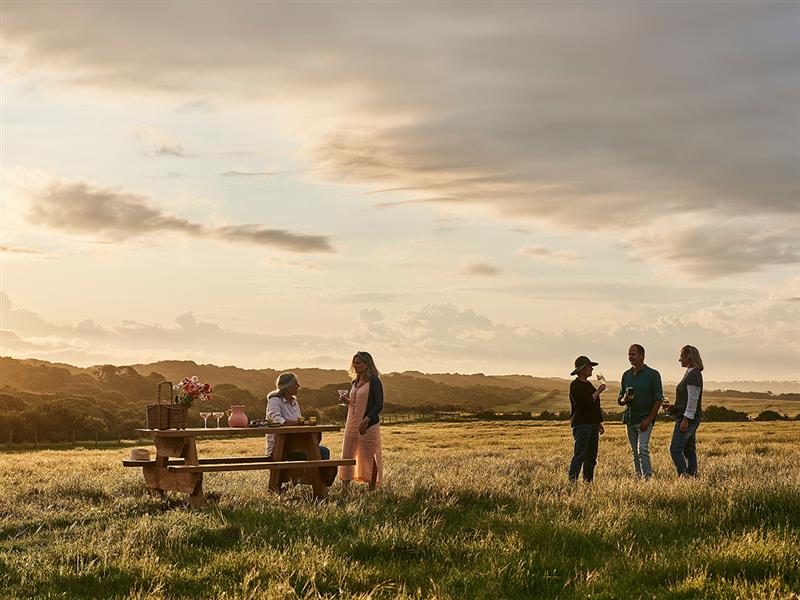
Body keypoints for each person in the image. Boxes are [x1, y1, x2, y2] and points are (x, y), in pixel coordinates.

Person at [265, 372, 336, 485]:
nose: (298, 386)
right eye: (296, 384)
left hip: (298, 443)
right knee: (321, 451)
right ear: (288, 387)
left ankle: (319, 482)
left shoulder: (294, 402)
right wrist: (301, 423)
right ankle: (318, 482)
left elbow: (299, 422)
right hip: (280, 446)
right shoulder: (274, 400)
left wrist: (306, 424)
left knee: (323, 450)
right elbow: (277, 420)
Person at [618, 344, 664, 480]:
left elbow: (658, 399)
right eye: (629, 354)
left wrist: (649, 420)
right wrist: (625, 398)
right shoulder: (626, 375)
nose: (630, 357)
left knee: (642, 449)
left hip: (645, 419)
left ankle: (647, 478)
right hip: (630, 419)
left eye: (633, 354)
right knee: (635, 451)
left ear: (642, 356)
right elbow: (620, 400)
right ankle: (639, 477)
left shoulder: (653, 374)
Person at [339, 351, 383, 490]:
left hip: (368, 424)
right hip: (351, 423)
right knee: (347, 454)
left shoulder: (374, 381)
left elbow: (379, 405)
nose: (355, 366)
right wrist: (347, 401)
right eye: (354, 363)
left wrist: (366, 420)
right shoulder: (355, 381)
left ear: (367, 364)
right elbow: (356, 402)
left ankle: (372, 487)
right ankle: (345, 487)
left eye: (358, 363)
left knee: (368, 454)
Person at [664, 345, 704, 476]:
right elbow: (686, 400)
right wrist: (673, 408)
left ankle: (684, 476)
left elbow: (693, 401)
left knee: (675, 449)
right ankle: (693, 476)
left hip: (687, 419)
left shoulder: (694, 375)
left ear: (689, 357)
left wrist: (686, 419)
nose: (679, 359)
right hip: (687, 417)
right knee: (689, 450)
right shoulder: (690, 373)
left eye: (682, 356)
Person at [567, 356, 605, 483]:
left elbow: (593, 406)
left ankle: (588, 483)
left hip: (592, 424)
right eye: (589, 367)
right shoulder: (575, 385)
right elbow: (586, 402)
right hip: (582, 424)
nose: (592, 369)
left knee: (591, 457)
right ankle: (572, 483)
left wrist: (598, 423)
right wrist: (599, 391)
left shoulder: (588, 384)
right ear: (582, 369)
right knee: (580, 455)